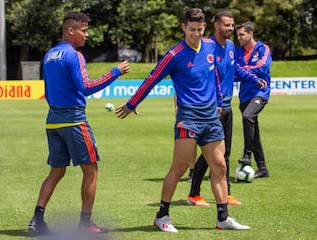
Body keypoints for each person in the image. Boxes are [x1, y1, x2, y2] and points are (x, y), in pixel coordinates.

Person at [116, 8, 249, 232]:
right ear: (183, 28)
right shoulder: (174, 55)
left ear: (204, 28)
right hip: (188, 118)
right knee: (178, 169)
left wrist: (218, 101)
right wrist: (132, 104)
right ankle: (162, 215)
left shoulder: (209, 46)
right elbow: (152, 79)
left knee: (220, 166)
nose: (196, 34)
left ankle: (223, 218)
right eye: (191, 30)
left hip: (211, 118)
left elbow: (215, 76)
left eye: (199, 29)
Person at [28, 11, 130, 235]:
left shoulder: (49, 55)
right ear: (70, 30)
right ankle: (85, 223)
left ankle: (37, 219)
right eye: (83, 30)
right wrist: (115, 72)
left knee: (56, 172)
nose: (87, 34)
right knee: (91, 170)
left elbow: (47, 91)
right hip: (74, 120)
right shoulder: (74, 55)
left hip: (53, 121)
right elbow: (86, 87)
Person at [187, 11, 266, 207]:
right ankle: (194, 194)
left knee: (226, 153)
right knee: (209, 155)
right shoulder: (208, 47)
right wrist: (217, 103)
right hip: (213, 108)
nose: (230, 29)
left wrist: (253, 79)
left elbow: (235, 69)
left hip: (228, 107)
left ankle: (227, 194)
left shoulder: (230, 46)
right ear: (216, 26)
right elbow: (208, 76)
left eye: (232, 25)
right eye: (226, 25)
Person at [235, 21, 272, 178]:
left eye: (242, 34)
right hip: (244, 95)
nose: (239, 38)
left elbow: (263, 68)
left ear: (250, 34)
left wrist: (244, 71)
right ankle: (263, 169)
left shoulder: (263, 49)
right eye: (237, 35)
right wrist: (247, 71)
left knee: (247, 116)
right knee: (253, 131)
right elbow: (234, 72)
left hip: (260, 92)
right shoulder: (237, 52)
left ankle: (247, 155)